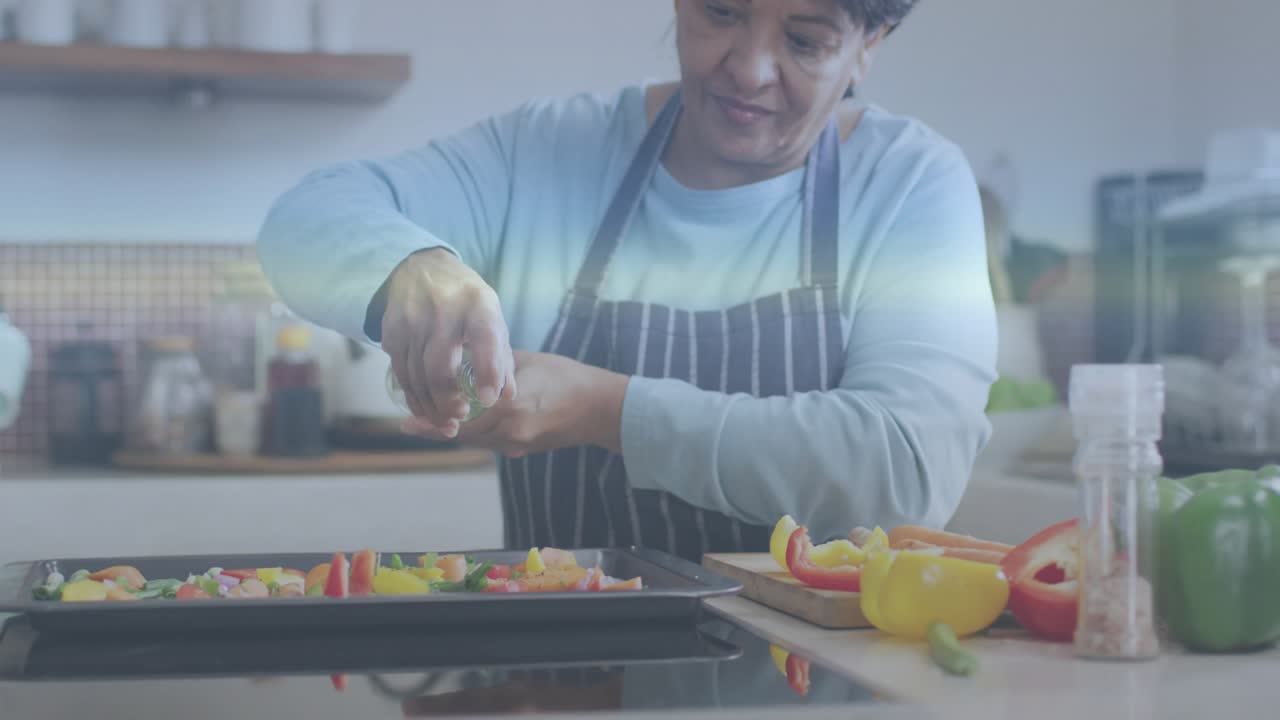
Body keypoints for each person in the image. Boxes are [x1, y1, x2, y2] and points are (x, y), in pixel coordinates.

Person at [257, 0, 997, 560]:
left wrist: (608, 411)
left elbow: (903, 469)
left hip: (805, 693)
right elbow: (305, 218)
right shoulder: (547, 152)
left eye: (805, 41)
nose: (749, 67)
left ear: (869, 46)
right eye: (721, 11)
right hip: (554, 689)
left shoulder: (909, 183)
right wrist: (409, 269)